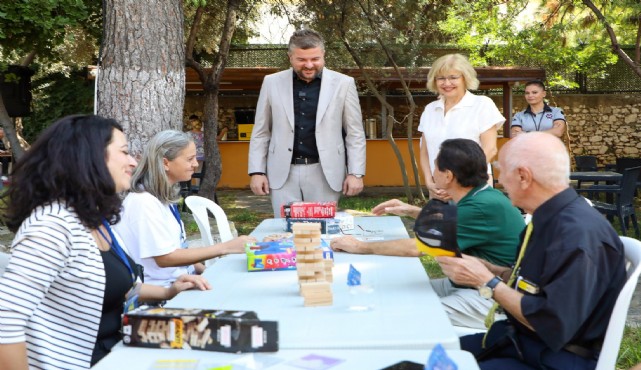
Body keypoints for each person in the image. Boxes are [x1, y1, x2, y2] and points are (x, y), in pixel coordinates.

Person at [0, 115, 210, 369]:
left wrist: (170, 291)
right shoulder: (52, 226)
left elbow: (113, 287)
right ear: (89, 158)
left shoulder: (93, 219)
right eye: (124, 152)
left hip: (119, 351)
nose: (133, 162)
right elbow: (6, 321)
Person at [437, 132, 626, 370]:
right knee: (422, 354)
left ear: (523, 176)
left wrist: (487, 282)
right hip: (519, 342)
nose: (500, 180)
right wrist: (493, 270)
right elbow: (537, 286)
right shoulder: (549, 218)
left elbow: (551, 322)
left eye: (501, 170)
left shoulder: (577, 234)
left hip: (553, 359)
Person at [331, 138, 525, 328]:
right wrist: (411, 210)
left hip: (493, 297)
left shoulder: (480, 207)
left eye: (435, 167)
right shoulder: (482, 195)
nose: (432, 173)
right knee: (391, 294)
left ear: (448, 176)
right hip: (472, 285)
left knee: (405, 315)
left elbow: (416, 248)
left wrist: (361, 246)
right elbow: (451, 221)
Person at [248, 28, 366, 217]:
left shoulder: (344, 84)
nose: (309, 65)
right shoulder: (271, 82)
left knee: (323, 232)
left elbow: (355, 133)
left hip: (325, 173)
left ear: (323, 55)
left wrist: (356, 173)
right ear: (290, 57)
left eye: (315, 59)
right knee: (286, 232)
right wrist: (256, 171)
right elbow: (261, 131)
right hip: (281, 174)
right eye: (302, 60)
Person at [115, 130, 256, 287]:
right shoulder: (143, 203)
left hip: (182, 283)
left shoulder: (162, 198)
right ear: (165, 163)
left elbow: (178, 249)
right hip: (163, 295)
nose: (196, 164)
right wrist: (225, 247)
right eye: (190, 159)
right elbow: (165, 258)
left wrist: (206, 272)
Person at [419, 53, 505, 200]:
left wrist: (458, 185)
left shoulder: (482, 104)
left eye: (453, 77)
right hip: (439, 190)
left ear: (465, 78)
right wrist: (429, 181)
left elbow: (489, 149)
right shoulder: (430, 109)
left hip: (472, 188)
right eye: (441, 78)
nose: (447, 83)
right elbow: (424, 151)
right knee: (440, 223)